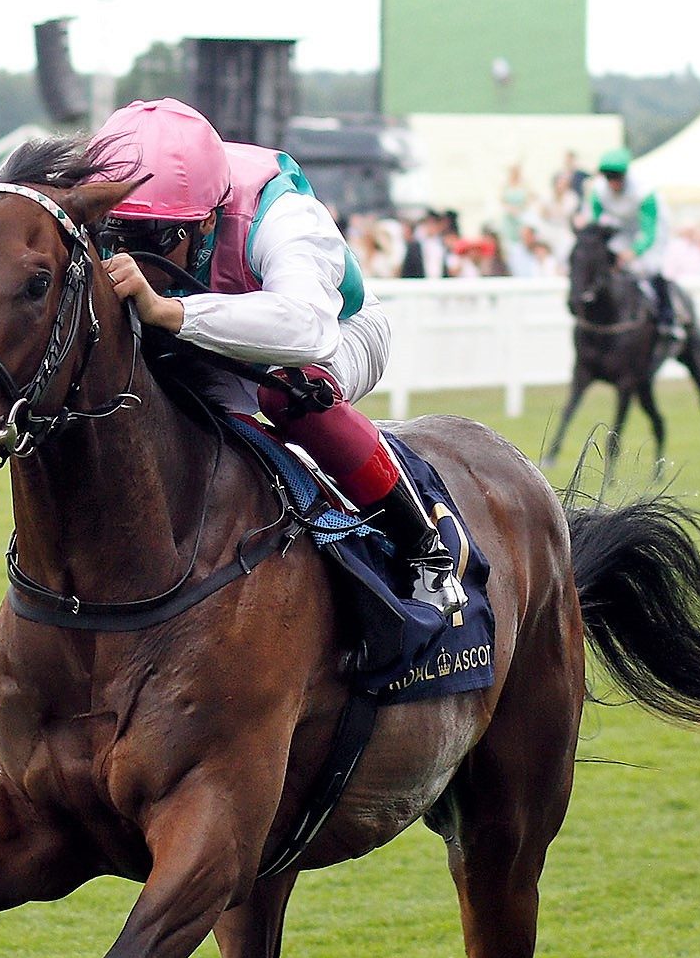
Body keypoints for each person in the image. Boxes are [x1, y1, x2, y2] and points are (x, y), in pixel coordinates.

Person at [96, 97, 467, 615]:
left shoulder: (281, 213)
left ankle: (423, 547)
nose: (134, 257)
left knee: (287, 391)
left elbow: (308, 327)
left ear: (206, 221)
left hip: (341, 331)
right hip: (211, 338)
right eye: (116, 233)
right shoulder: (135, 201)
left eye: (156, 239)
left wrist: (170, 312)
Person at [583, 147, 678, 348]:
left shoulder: (645, 192)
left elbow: (649, 232)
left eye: (617, 176)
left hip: (651, 230)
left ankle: (667, 320)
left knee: (650, 268)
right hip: (621, 228)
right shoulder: (598, 191)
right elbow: (596, 222)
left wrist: (634, 252)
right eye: (608, 177)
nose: (613, 182)